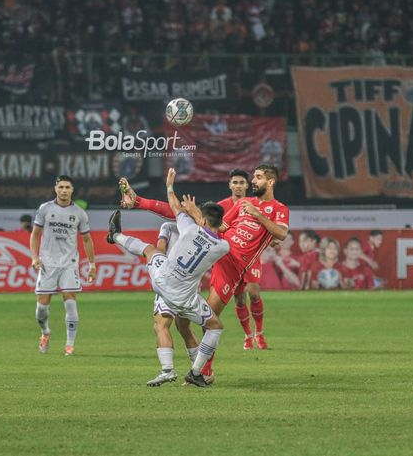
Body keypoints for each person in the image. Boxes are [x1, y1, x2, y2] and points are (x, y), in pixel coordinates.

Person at [119, 164, 288, 382]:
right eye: (251, 178)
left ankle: (205, 367)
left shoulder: (279, 208)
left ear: (271, 182)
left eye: (257, 177)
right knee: (183, 216)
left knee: (212, 317)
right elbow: (220, 225)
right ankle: (201, 372)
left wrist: (260, 218)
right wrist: (195, 213)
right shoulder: (242, 204)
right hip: (217, 253)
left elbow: (282, 232)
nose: (252, 181)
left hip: (234, 266)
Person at [107, 168, 230, 387]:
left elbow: (174, 207)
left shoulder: (189, 229)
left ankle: (115, 235)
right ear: (219, 224)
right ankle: (196, 371)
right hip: (184, 295)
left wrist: (170, 185)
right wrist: (197, 214)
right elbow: (210, 231)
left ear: (201, 218)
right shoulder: (223, 246)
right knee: (215, 326)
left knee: (150, 250)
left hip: (162, 279)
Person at [30, 175, 96, 356]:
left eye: (67, 187)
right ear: (55, 188)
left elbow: (87, 240)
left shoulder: (79, 213)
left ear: (72, 190)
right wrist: (35, 257)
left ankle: (69, 344)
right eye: (61, 187)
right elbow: (35, 234)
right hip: (47, 264)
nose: (64, 190)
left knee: (70, 303)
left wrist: (92, 264)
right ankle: (45, 333)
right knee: (41, 308)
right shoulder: (45, 209)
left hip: (69, 263)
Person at [146, 221, 202, 387]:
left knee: (161, 326)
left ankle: (167, 370)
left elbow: (161, 248)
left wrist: (156, 266)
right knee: (184, 328)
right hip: (190, 285)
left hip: (170, 281)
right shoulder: (200, 228)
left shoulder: (168, 227)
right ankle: (200, 372)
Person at [218, 168, 267, 350]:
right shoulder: (222, 206)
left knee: (254, 292)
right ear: (230, 185)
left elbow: (265, 225)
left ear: (247, 185)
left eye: (241, 183)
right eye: (235, 182)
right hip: (232, 258)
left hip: (252, 256)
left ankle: (260, 333)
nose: (238, 186)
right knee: (239, 300)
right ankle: (248, 335)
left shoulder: (256, 204)